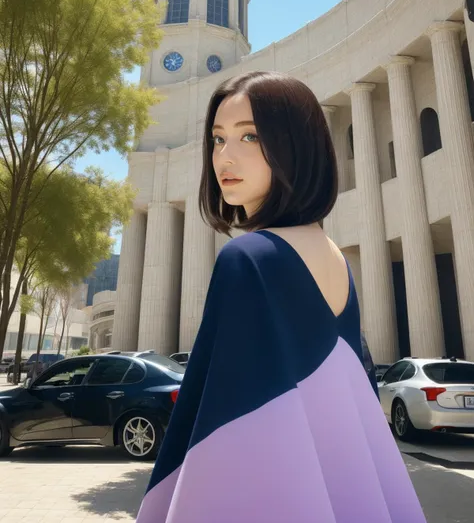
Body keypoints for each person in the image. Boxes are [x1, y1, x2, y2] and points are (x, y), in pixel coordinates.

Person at [137, 71, 426, 523]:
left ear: (294, 145)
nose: (224, 157)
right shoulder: (334, 258)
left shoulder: (249, 257)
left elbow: (220, 423)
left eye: (249, 136)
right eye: (217, 139)